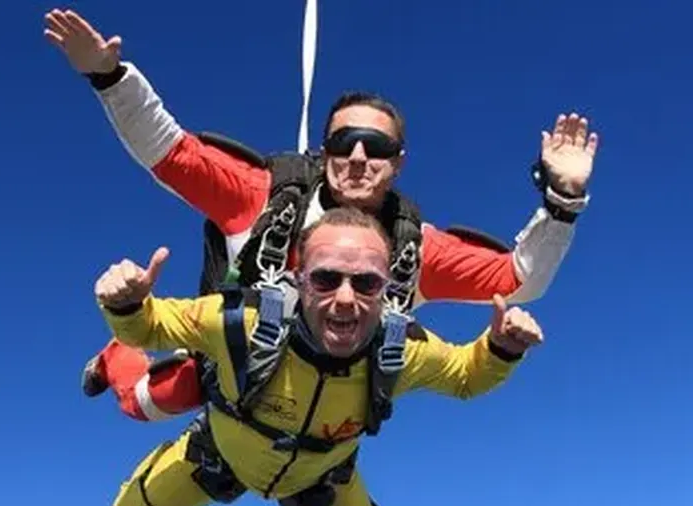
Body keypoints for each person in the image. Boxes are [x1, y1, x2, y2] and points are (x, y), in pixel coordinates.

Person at [43, 8, 594, 422]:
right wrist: (110, 77)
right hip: (237, 353)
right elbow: (170, 152)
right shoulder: (263, 196)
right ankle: (118, 356)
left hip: (327, 390)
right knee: (149, 402)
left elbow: (519, 280)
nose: (358, 157)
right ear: (324, 151)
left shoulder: (414, 251)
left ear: (398, 163)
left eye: (377, 147)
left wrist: (563, 201)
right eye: (344, 142)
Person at [96, 208, 544, 506]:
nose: (346, 299)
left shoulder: (400, 350)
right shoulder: (240, 322)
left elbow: (465, 376)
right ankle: (113, 360)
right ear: (298, 280)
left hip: (320, 475)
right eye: (326, 279)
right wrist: (126, 305)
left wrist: (500, 349)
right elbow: (151, 326)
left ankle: (305, 489)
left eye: (366, 283)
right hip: (220, 454)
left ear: (387, 291)